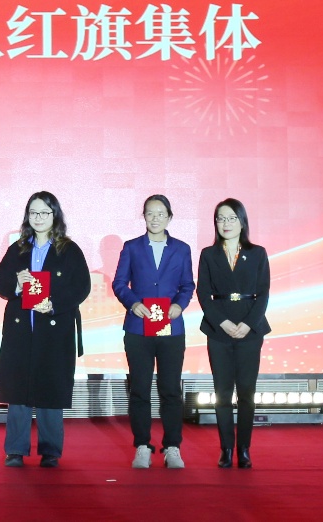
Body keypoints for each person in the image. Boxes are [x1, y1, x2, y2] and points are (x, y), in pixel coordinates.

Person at [0, 191, 91, 468]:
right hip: (21, 330)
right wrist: (16, 284)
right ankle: (15, 449)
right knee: (18, 391)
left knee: (51, 389)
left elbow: (81, 287)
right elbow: (0, 283)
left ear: (54, 215)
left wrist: (54, 304)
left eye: (44, 212)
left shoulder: (69, 250)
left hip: (54, 330)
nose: (38, 218)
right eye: (33, 213)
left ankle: (50, 450)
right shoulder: (17, 249)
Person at [112, 194, 194, 469]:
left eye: (161, 213)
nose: (155, 218)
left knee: (170, 389)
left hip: (171, 328)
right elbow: (119, 283)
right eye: (150, 213)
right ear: (144, 216)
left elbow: (187, 285)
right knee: (140, 389)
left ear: (169, 217)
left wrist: (179, 305)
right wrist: (133, 303)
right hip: (138, 328)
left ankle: (172, 446)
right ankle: (142, 445)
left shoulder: (181, 249)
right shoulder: (132, 247)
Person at [196, 198, 270, 469]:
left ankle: (244, 449)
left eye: (231, 218)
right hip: (219, 330)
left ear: (242, 221)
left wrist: (249, 323)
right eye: (220, 219)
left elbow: (263, 292)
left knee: (247, 392)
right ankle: (226, 449)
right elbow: (203, 293)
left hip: (251, 330)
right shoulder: (208, 254)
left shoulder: (258, 253)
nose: (225, 224)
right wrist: (222, 322)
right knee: (223, 392)